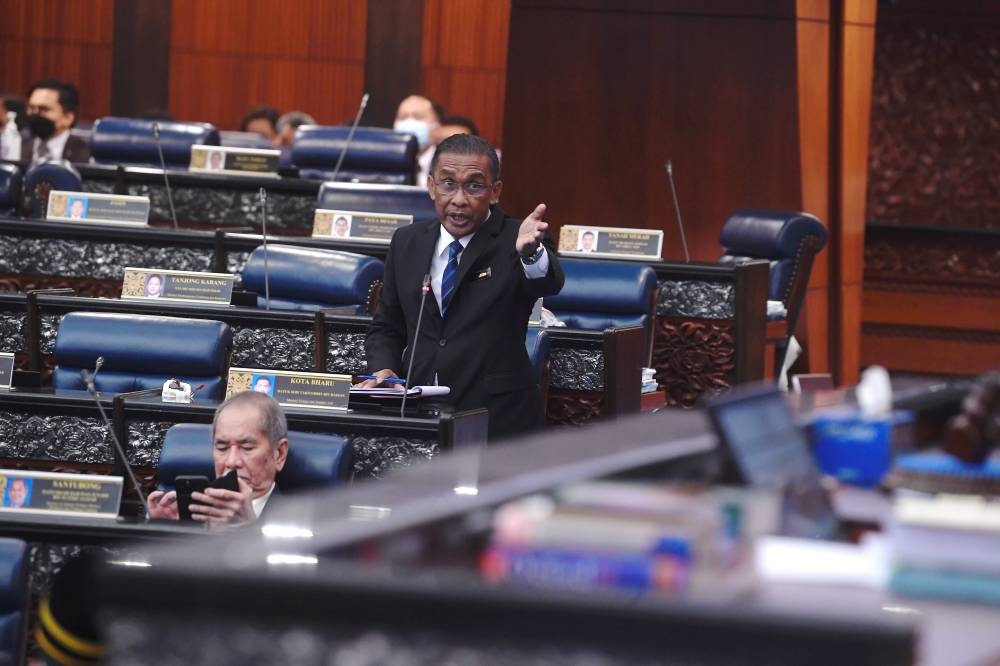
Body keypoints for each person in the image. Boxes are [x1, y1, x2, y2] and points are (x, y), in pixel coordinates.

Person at [361, 134, 564, 441]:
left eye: (474, 185)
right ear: (431, 187)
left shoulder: (517, 238)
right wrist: (385, 371)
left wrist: (530, 254)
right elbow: (387, 326)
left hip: (498, 420)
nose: (458, 199)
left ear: (495, 192)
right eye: (448, 184)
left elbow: (549, 280)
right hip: (418, 415)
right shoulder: (407, 242)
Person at [147, 391, 288, 525]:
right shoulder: (191, 512)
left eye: (247, 448)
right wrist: (164, 533)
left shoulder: (300, 518)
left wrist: (248, 529)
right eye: (222, 448)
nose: (231, 462)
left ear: (279, 454)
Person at [21, 79, 90, 164]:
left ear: (67, 118)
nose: (35, 114)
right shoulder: (18, 146)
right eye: (31, 108)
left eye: (43, 109)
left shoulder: (85, 153)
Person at [393, 94, 444, 187]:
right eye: (402, 117)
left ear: (436, 125)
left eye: (418, 117)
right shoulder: (386, 163)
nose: (409, 122)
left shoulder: (447, 162)